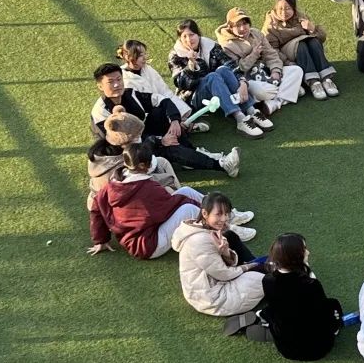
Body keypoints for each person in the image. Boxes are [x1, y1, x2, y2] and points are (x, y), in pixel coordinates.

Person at [88, 141, 254, 260]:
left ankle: (227, 216)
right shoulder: (147, 188)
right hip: (148, 245)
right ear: (144, 166)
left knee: (186, 191)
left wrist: (100, 239)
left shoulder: (113, 184)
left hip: (142, 236)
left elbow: (96, 207)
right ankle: (225, 230)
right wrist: (204, 212)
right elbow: (172, 206)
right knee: (189, 208)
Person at [91, 64, 241, 176]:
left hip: (142, 138)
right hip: (126, 155)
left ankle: (190, 153)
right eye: (110, 82)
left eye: (119, 79)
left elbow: (163, 100)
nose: (117, 84)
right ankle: (222, 165)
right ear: (100, 86)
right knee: (168, 148)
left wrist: (174, 121)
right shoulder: (100, 112)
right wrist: (159, 140)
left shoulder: (130, 94)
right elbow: (120, 143)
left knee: (159, 112)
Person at [225, 234, 344, 359]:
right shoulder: (310, 285)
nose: (308, 252)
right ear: (295, 256)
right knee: (333, 305)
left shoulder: (268, 280)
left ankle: (264, 317)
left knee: (280, 310)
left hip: (285, 348)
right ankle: (267, 318)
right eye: (304, 249)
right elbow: (322, 313)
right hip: (317, 349)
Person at [168, 19, 271, 139]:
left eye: (191, 35)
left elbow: (230, 65)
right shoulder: (175, 55)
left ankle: (251, 110)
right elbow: (181, 83)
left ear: (198, 34)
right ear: (180, 38)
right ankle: (240, 119)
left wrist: (243, 83)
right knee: (213, 76)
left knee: (223, 70)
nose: (189, 39)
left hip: (217, 88)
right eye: (184, 36)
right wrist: (191, 65)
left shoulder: (210, 46)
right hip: (193, 97)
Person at [173, 192, 266, 321]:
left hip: (211, 283)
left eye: (226, 214)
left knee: (231, 236)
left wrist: (226, 254)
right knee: (266, 275)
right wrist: (247, 267)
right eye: (219, 214)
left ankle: (259, 265)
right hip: (213, 298)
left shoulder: (202, 228)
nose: (224, 219)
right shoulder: (199, 241)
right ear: (205, 213)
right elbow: (224, 274)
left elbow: (219, 267)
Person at [216, 8, 304, 116]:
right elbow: (238, 69)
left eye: (245, 23)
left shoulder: (256, 33)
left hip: (266, 72)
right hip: (248, 80)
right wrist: (254, 55)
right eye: (238, 25)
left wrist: (275, 71)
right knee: (261, 91)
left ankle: (275, 103)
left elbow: (270, 54)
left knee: (296, 70)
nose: (243, 28)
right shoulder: (226, 45)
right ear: (230, 27)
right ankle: (290, 90)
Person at [86, 111, 178, 211]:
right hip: (115, 207)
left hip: (116, 196)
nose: (140, 139)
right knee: (167, 189)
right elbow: (142, 183)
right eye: (137, 136)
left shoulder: (103, 152)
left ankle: (180, 197)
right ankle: (181, 203)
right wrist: (168, 178)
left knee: (161, 162)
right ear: (125, 142)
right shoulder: (122, 166)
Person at [262, 0, 339, 101]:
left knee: (313, 41)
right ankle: (313, 82)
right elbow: (271, 50)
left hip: (304, 46)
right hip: (287, 54)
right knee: (301, 45)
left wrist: (312, 29)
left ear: (293, 8)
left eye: (287, 8)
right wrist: (288, 62)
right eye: (280, 9)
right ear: (275, 9)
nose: (284, 12)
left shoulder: (301, 17)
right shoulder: (270, 25)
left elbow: (321, 39)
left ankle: (326, 78)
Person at [116, 39, 199, 127]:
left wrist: (181, 112)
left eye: (144, 54)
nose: (145, 58)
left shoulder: (148, 69)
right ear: (129, 58)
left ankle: (183, 123)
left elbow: (164, 91)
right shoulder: (125, 79)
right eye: (140, 55)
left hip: (164, 106)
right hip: (149, 117)